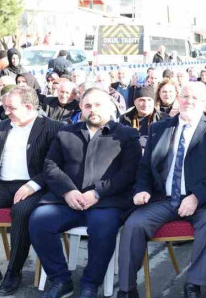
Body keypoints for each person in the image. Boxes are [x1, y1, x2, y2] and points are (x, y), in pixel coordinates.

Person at [117, 82, 206, 298]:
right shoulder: (159, 129)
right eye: (185, 96)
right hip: (163, 199)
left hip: (202, 201)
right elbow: (145, 167)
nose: (189, 101)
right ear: (179, 99)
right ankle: (126, 289)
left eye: (195, 98)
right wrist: (142, 189)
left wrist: (196, 197)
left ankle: (194, 286)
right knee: (133, 225)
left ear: (205, 102)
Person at [29, 88, 141, 298]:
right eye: (88, 105)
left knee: (103, 226)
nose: (93, 110)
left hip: (107, 201)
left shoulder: (126, 135)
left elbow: (129, 173)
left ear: (109, 105)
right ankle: (61, 280)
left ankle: (90, 283)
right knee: (39, 221)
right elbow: (51, 166)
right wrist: (68, 191)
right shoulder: (65, 133)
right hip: (67, 202)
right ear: (80, 107)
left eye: (98, 104)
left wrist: (98, 193)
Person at [0, 86, 63, 296]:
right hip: (3, 186)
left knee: (22, 211)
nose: (5, 112)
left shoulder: (53, 128)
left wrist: (33, 185)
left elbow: (57, 164)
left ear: (28, 106)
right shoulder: (1, 127)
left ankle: (14, 271)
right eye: (4, 107)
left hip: (34, 186)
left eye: (10, 108)